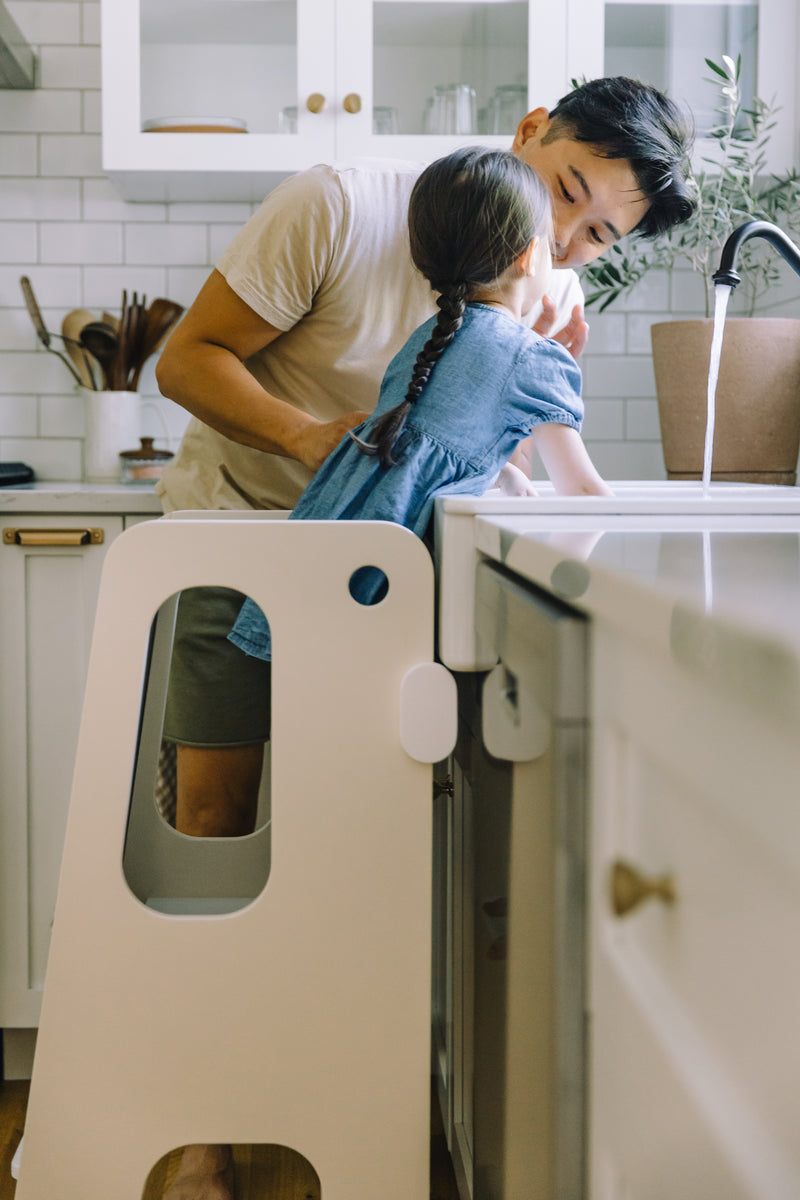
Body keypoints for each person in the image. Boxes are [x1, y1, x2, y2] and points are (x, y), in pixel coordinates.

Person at [153, 76, 695, 1200]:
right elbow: (185, 358)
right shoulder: (340, 205)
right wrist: (324, 443)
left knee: (351, 845)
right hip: (242, 543)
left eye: (594, 235)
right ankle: (199, 1131)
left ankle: (324, 1104)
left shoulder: (534, 295)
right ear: (530, 129)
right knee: (212, 827)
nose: (562, 239)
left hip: (376, 589)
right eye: (566, 194)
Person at [228, 146, 611, 664]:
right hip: (390, 584)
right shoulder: (533, 356)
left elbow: (434, 443)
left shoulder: (429, 338)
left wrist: (503, 475)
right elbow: (584, 493)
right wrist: (562, 596)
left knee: (315, 730)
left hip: (325, 562)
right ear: (529, 255)